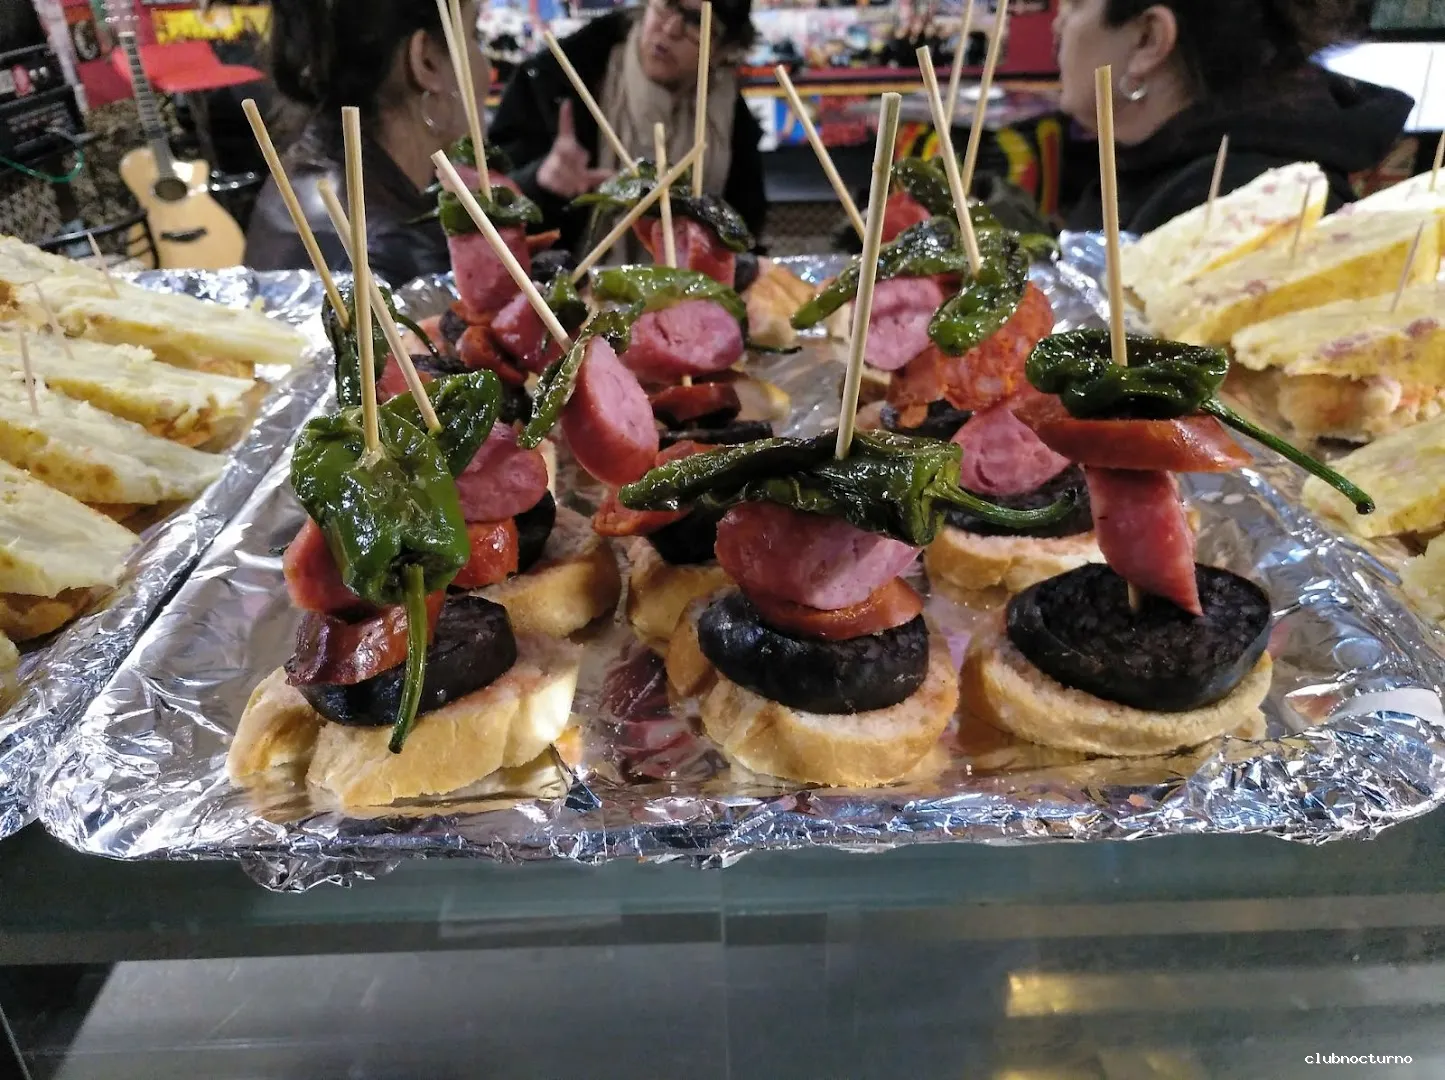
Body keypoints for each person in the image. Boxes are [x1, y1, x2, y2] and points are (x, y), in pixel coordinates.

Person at [1054, 0, 1414, 234]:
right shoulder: (1152, 165)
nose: (1057, 25)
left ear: (1149, 39)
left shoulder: (1249, 212)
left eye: (1074, 5)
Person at [489, 0, 766, 254]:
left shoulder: (731, 117)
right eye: (667, 5)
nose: (670, 29)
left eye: (696, 21)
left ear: (724, 48)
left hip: (694, 288)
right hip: (567, 287)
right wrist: (540, 182)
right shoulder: (557, 80)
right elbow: (492, 215)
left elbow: (747, 232)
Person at [246, 0, 489, 286]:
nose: (486, 68)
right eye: (474, 35)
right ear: (426, 62)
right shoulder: (400, 253)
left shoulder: (294, 173)